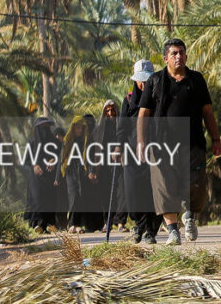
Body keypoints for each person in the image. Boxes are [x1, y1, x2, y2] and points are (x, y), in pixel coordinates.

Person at [137, 39, 221, 245]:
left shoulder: (196, 80)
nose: (179, 56)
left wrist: (216, 139)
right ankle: (173, 231)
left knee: (197, 187)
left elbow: (208, 112)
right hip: (160, 145)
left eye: (182, 52)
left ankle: (190, 215)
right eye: (174, 53)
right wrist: (141, 142)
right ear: (166, 58)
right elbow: (143, 114)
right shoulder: (155, 81)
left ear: (186, 56)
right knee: (164, 187)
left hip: (193, 144)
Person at [118, 60, 160, 244]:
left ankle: (150, 230)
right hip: (132, 153)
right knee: (133, 192)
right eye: (140, 80)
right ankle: (139, 225)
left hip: (156, 151)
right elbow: (122, 128)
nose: (143, 84)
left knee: (154, 192)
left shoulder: (159, 98)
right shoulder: (128, 100)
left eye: (147, 80)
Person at [95, 100, 127, 232]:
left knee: (122, 193)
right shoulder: (99, 129)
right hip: (104, 164)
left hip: (121, 163)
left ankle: (120, 222)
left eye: (112, 110)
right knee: (106, 194)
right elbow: (95, 149)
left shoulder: (122, 126)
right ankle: (107, 222)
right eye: (107, 111)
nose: (110, 113)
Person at [61, 116, 96, 233]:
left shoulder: (86, 141)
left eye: (81, 128)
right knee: (74, 196)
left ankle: (78, 224)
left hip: (82, 172)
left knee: (81, 197)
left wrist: (91, 171)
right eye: (77, 128)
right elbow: (61, 158)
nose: (79, 130)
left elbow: (90, 158)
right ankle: (72, 224)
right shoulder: (67, 141)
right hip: (70, 172)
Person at [24, 117, 59, 234]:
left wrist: (54, 160)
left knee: (49, 199)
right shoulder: (32, 143)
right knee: (37, 200)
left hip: (50, 177)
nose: (44, 131)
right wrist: (34, 166)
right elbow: (26, 161)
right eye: (41, 128)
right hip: (36, 178)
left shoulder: (55, 142)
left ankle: (49, 224)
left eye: (46, 128)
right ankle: (37, 224)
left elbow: (61, 157)